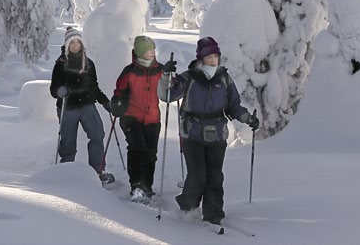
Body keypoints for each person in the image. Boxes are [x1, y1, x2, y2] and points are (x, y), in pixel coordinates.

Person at [158, 36, 259, 225]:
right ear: (201, 58)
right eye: (209, 56)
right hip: (192, 134)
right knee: (197, 176)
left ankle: (213, 215)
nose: (213, 60)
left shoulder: (224, 78)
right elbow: (166, 95)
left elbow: (234, 105)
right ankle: (187, 206)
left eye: (215, 56)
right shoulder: (189, 78)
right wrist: (165, 76)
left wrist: (247, 118)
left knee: (215, 177)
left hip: (217, 134)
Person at [50, 27, 115, 185]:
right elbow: (53, 89)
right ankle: (66, 171)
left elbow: (94, 86)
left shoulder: (89, 64)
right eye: (72, 43)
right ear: (67, 45)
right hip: (68, 107)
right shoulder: (60, 64)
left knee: (97, 134)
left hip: (87, 104)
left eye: (78, 42)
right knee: (68, 140)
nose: (75, 46)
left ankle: (97, 171)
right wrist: (61, 91)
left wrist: (105, 101)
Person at [112, 35, 173, 202]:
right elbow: (119, 91)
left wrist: (168, 75)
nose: (152, 52)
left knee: (151, 153)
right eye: (148, 50)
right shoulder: (130, 72)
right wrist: (117, 102)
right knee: (138, 147)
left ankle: (147, 185)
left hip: (152, 118)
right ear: (139, 53)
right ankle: (136, 186)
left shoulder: (160, 70)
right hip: (131, 116)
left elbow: (170, 89)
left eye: (153, 49)